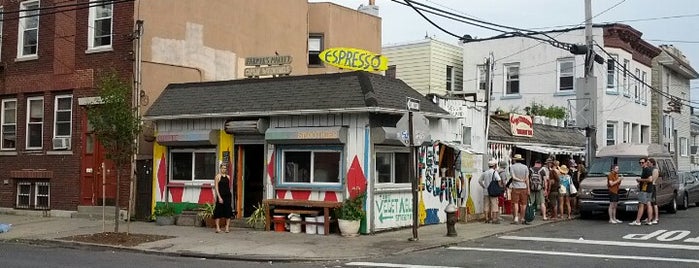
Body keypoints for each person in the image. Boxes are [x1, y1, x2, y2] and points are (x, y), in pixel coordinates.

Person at [629, 157, 654, 226]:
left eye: (642, 162)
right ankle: (649, 220)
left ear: (646, 162)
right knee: (649, 204)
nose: (641, 164)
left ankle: (637, 221)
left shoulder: (647, 170)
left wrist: (640, 180)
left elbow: (650, 179)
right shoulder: (646, 169)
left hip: (645, 190)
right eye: (640, 163)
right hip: (649, 189)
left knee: (641, 205)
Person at [479, 159, 502, 224]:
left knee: (486, 205)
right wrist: (499, 187)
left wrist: (484, 186)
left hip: (486, 191)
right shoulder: (495, 172)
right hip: (493, 191)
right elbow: (499, 180)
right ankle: (494, 219)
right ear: (494, 165)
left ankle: (486, 218)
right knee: (494, 204)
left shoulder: (485, 172)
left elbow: (480, 181)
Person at [509, 154, 530, 225]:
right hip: (524, 187)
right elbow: (527, 178)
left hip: (515, 187)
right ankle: (523, 218)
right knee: (524, 204)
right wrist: (528, 188)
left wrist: (519, 180)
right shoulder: (525, 167)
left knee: (515, 203)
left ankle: (516, 218)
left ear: (515, 159)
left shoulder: (512, 167)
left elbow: (513, 177)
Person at [213, 163, 234, 233]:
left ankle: (227, 227)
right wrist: (219, 197)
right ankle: (217, 227)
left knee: (228, 211)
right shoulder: (217, 177)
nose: (224, 169)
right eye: (223, 168)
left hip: (227, 196)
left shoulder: (228, 177)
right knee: (218, 211)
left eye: (225, 168)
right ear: (220, 168)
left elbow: (229, 187)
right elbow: (216, 188)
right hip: (220, 196)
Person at [648, 158, 660, 225]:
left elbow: (653, 179)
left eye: (649, 162)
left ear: (652, 163)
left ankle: (656, 218)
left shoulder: (655, 169)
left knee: (654, 203)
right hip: (649, 186)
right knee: (649, 203)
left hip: (652, 186)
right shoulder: (650, 169)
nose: (648, 163)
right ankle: (650, 217)